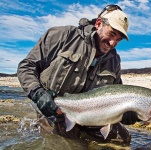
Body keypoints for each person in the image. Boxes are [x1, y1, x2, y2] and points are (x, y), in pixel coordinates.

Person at [17, 4, 139, 143]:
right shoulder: (62, 36)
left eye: (118, 40)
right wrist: (38, 94)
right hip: (54, 112)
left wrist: (125, 113)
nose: (112, 43)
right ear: (99, 24)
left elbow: (117, 93)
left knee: (123, 140)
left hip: (92, 116)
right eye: (111, 34)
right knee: (66, 145)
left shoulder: (114, 60)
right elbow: (26, 67)